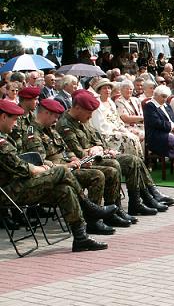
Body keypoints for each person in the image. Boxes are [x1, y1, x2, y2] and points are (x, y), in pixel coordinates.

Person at [0, 99, 109, 252]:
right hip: (9, 192)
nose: (17, 123)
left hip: (19, 185)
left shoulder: (7, 136)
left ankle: (80, 237)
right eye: (14, 119)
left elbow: (21, 163)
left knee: (65, 190)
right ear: (3, 117)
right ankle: (89, 207)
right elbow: (22, 168)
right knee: (62, 171)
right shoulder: (2, 143)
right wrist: (41, 169)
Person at [21, 98, 134, 232]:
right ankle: (93, 219)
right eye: (55, 116)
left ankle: (111, 212)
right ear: (46, 113)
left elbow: (66, 149)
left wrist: (76, 160)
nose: (56, 120)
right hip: (57, 172)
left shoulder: (50, 130)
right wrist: (69, 165)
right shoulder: (32, 133)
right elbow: (41, 162)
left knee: (111, 171)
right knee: (97, 175)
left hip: (69, 166)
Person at [57, 90, 174, 216]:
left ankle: (140, 200)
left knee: (134, 159)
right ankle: (116, 208)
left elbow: (98, 140)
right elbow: (77, 153)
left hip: (98, 155)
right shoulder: (65, 125)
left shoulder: (83, 120)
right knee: (116, 166)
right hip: (87, 161)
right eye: (89, 112)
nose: (90, 116)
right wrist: (93, 150)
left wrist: (99, 148)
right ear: (77, 108)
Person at [90, 79, 144, 159]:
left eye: (109, 88)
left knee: (134, 136)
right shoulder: (97, 105)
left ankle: (137, 162)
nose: (107, 90)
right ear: (99, 90)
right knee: (129, 138)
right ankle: (129, 162)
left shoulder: (111, 102)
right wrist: (116, 130)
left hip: (117, 130)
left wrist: (122, 128)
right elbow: (100, 126)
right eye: (104, 88)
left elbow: (118, 119)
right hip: (105, 134)